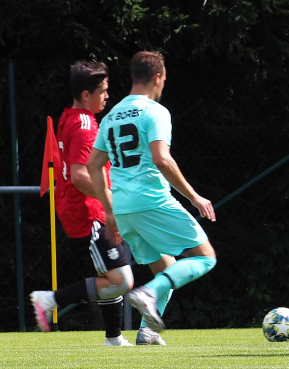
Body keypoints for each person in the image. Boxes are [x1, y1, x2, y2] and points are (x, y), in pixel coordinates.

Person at [86, 51, 217, 337]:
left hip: (123, 208)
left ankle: (147, 331)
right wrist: (194, 197)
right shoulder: (155, 111)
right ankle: (149, 293)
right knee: (206, 257)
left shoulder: (111, 116)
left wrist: (109, 209)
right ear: (157, 77)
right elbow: (162, 159)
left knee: (165, 267)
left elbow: (93, 165)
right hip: (151, 201)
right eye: (164, 79)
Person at [30, 60, 140, 346]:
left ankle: (114, 338)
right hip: (88, 212)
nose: (107, 96)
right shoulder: (83, 125)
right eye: (102, 91)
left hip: (86, 208)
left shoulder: (72, 117)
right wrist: (110, 205)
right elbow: (79, 176)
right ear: (85, 93)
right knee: (121, 280)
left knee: (109, 274)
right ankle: (50, 300)